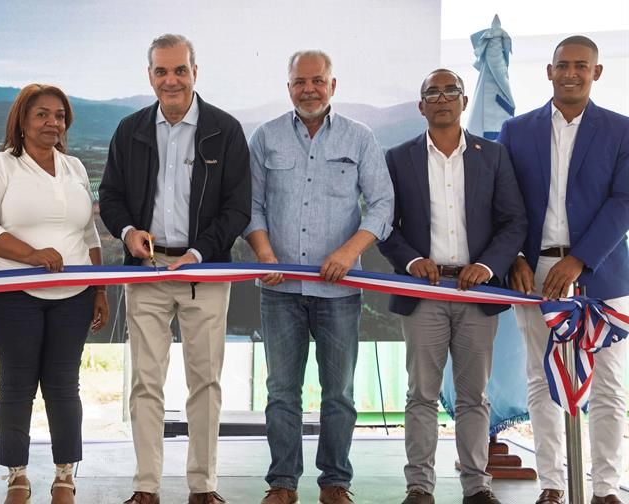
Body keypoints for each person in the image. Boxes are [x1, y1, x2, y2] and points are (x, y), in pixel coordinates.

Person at [98, 34, 251, 504]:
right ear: (150, 76)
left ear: (194, 72)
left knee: (205, 381)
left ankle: (203, 486)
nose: (171, 80)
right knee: (145, 381)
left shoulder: (225, 130)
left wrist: (200, 252)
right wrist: (128, 232)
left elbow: (238, 207)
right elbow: (111, 196)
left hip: (205, 270)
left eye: (180, 70)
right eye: (162, 71)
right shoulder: (130, 130)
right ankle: (145, 487)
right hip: (146, 270)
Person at [244, 50, 393, 504]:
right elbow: (251, 206)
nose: (308, 89)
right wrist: (265, 254)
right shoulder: (265, 137)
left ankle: (335, 483)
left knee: (339, 393)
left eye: (317, 80)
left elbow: (383, 204)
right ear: (288, 87)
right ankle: (282, 484)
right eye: (299, 82)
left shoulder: (360, 137)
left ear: (333, 84)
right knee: (281, 392)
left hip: (340, 291)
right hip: (279, 290)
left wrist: (349, 252)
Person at [377, 69, 526, 504]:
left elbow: (514, 221)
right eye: (432, 92)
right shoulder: (397, 158)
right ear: (421, 105)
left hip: (476, 293)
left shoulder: (493, 156)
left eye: (451, 91)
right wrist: (411, 261)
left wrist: (487, 266)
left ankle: (476, 486)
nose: (442, 98)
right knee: (420, 395)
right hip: (423, 291)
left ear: (463, 101)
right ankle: (419, 487)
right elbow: (384, 224)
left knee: (474, 396)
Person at [498, 35, 629, 504]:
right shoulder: (516, 130)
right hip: (534, 273)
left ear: (596, 72)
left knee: (610, 384)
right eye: (563, 65)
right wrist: (515, 258)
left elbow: (624, 201)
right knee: (542, 378)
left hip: (603, 270)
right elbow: (505, 201)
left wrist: (580, 259)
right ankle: (552, 484)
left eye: (581, 65)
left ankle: (606, 488)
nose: (571, 73)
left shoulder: (622, 130)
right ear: (549, 71)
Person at [0, 83, 108, 504]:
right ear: (23, 122)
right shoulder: (1, 165)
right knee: (16, 385)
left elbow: (88, 233)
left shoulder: (75, 167)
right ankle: (17, 476)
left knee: (64, 385)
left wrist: (99, 288)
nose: (53, 122)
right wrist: (30, 255)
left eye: (60, 115)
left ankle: (65, 477)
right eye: (42, 114)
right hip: (15, 292)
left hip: (75, 294)